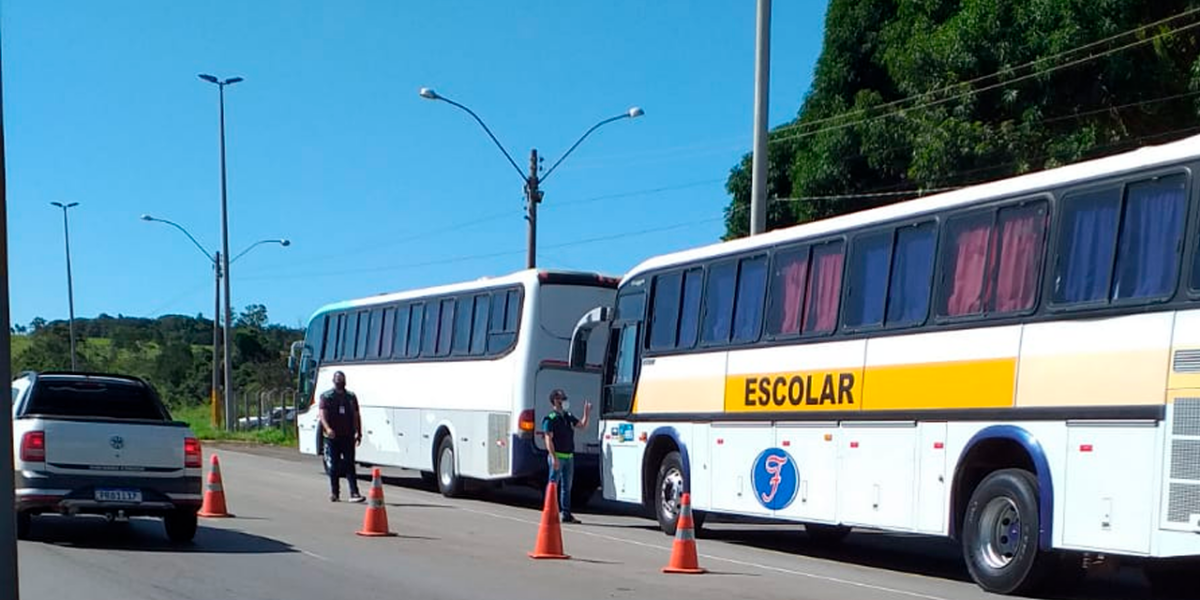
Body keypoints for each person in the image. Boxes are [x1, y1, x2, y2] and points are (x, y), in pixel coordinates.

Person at [541, 388, 590, 523]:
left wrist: (586, 413)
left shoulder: (568, 416)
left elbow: (582, 426)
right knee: (553, 485)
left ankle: (566, 514)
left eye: (564, 398)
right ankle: (549, 512)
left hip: (569, 457)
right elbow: (548, 439)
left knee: (566, 487)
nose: (563, 401)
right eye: (561, 399)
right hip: (557, 457)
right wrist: (554, 457)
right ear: (555, 401)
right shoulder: (550, 418)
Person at [320, 371, 364, 503]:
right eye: (338, 379)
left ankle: (354, 492)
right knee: (334, 465)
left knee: (350, 465)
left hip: (348, 436)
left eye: (342, 379)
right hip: (333, 437)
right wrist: (328, 429)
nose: (340, 382)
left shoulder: (350, 397)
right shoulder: (327, 396)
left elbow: (356, 415)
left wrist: (358, 432)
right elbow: (322, 415)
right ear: (334, 381)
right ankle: (335, 493)